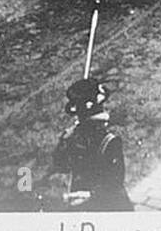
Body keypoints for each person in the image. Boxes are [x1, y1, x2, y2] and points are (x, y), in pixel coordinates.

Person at [48, 79, 133, 211]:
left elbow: (115, 183)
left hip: (101, 203)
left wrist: (89, 195)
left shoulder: (106, 140)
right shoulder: (77, 137)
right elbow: (61, 164)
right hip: (87, 201)